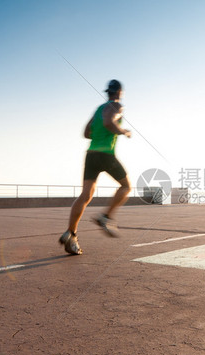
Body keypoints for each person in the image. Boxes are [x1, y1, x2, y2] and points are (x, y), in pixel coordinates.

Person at [59, 79, 132, 255]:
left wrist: (99, 133)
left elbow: (86, 132)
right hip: (106, 154)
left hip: (91, 154)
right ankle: (105, 217)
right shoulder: (117, 106)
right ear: (120, 92)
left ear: (108, 92)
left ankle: (71, 233)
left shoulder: (98, 109)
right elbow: (109, 122)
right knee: (126, 187)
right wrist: (123, 131)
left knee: (86, 195)